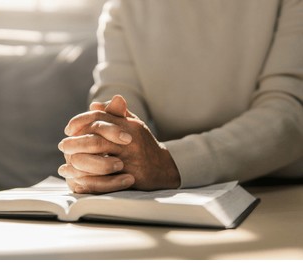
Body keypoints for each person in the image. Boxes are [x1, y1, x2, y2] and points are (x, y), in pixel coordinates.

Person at [58, 0, 303, 193]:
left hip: (281, 191)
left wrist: (167, 163)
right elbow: (117, 113)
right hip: (176, 194)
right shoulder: (123, 6)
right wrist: (101, 152)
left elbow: (290, 114)